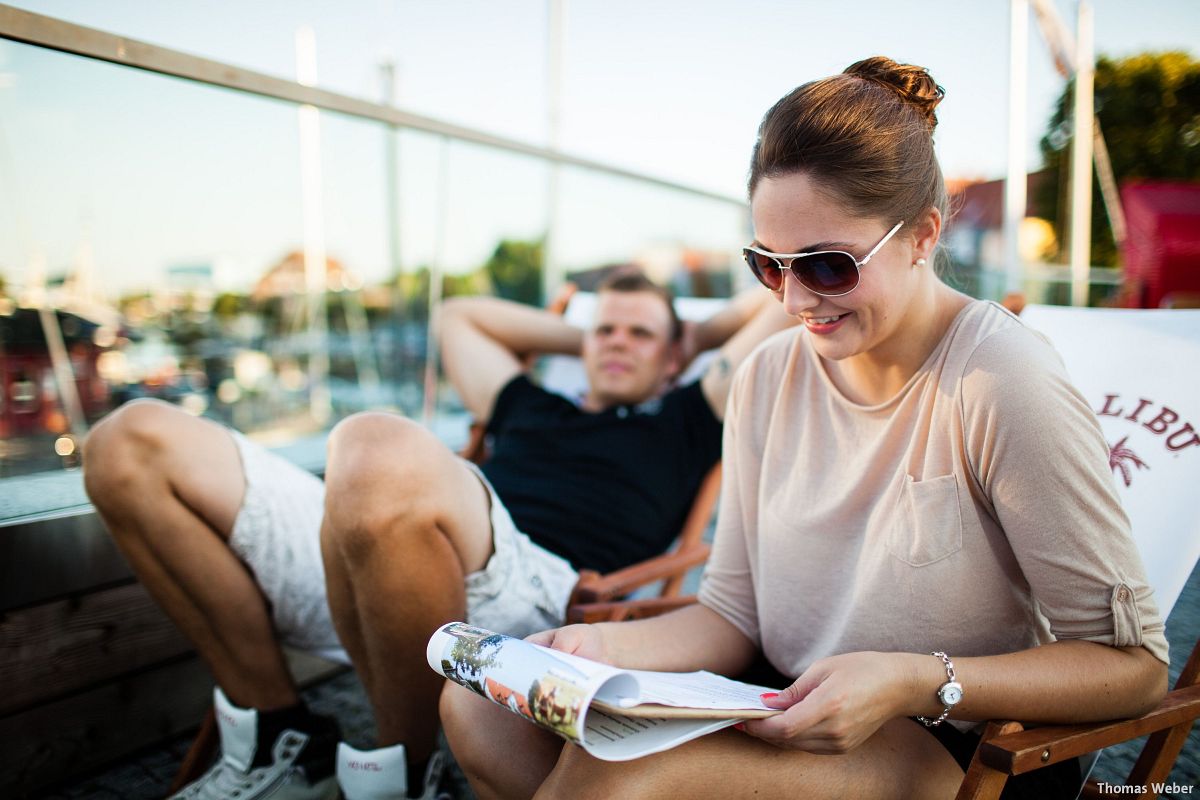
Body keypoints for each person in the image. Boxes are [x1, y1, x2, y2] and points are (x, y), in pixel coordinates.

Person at [440, 57, 1170, 800]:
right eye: (768, 265)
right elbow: (732, 614)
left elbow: (1134, 667)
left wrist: (916, 680)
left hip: (958, 737)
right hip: (779, 698)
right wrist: (597, 648)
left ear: (923, 235)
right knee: (479, 709)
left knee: (619, 780)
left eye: (826, 266)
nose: (794, 300)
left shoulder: (1001, 383)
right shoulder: (765, 378)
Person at [81, 270, 795, 800]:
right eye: (603, 329)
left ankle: (403, 774)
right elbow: (459, 316)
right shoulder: (527, 401)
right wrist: (604, 330)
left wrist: (692, 337)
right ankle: (278, 734)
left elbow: (779, 296)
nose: (615, 341)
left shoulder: (688, 418)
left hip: (532, 599)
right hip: (374, 551)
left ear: (676, 357)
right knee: (129, 440)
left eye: (639, 333)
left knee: (376, 447)